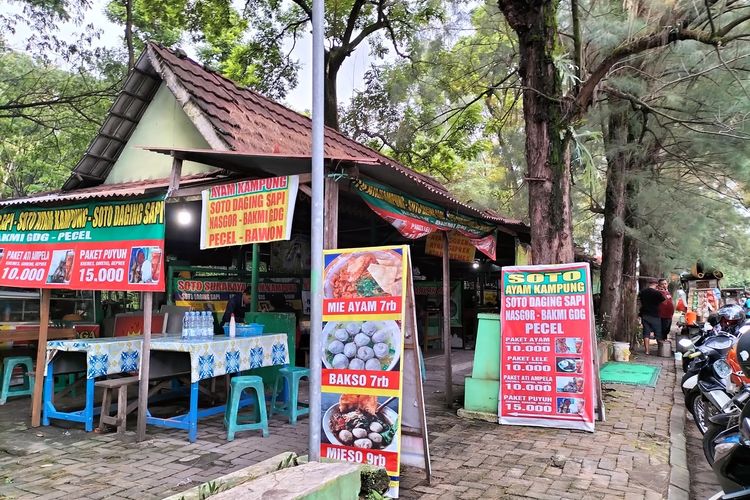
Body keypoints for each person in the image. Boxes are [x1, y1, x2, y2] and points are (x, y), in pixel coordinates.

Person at [639, 278, 667, 355]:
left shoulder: (643, 292)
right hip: (655, 315)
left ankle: (647, 351)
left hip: (645, 314)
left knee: (646, 333)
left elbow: (640, 301)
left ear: (649, 284)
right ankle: (660, 351)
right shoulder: (657, 293)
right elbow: (665, 302)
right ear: (656, 284)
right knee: (658, 333)